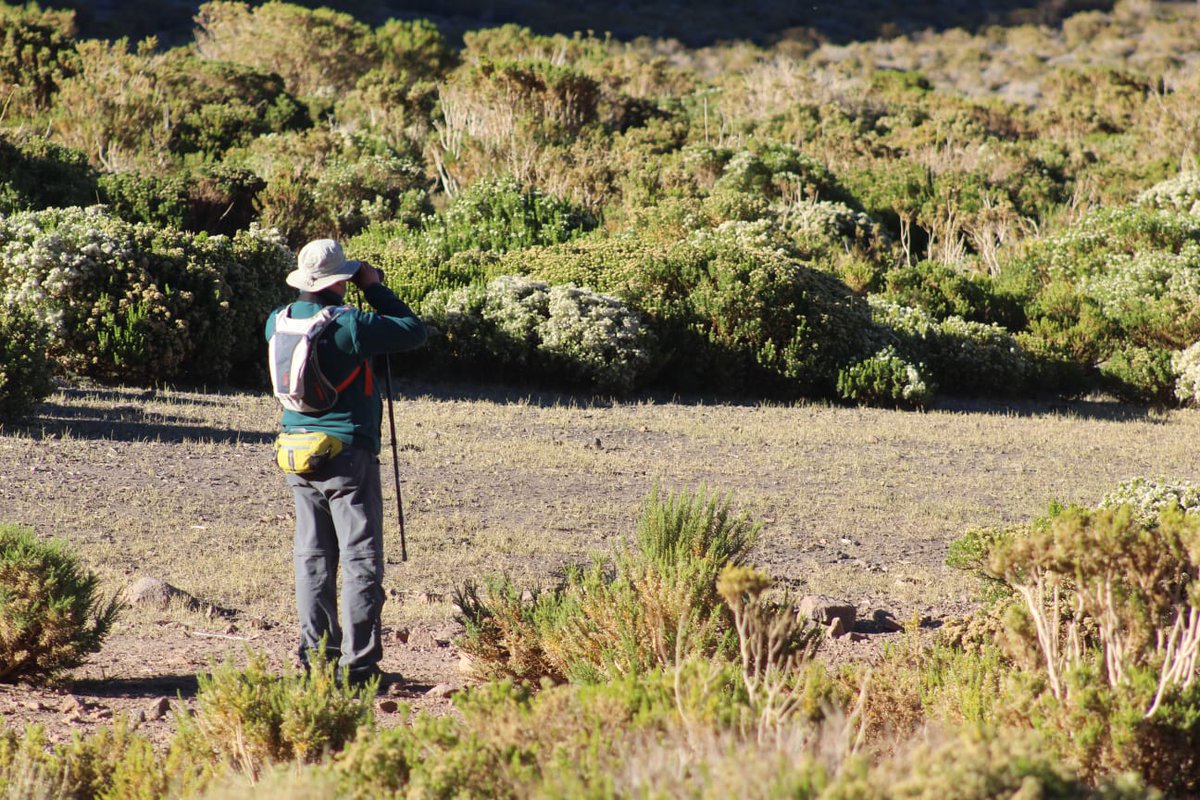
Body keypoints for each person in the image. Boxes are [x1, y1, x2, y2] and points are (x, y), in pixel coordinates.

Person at [264, 239, 426, 686]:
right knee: (360, 559)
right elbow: (413, 330)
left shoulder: (276, 322)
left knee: (312, 558)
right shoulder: (350, 324)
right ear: (341, 280)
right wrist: (373, 287)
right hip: (347, 455)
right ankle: (359, 668)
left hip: (297, 452)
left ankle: (315, 659)